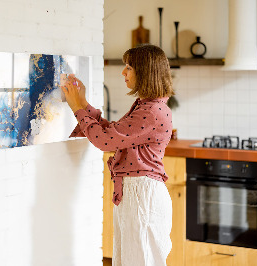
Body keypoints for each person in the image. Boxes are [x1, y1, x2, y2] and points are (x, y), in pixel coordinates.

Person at [61, 44, 174, 266]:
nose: (123, 72)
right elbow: (113, 133)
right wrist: (83, 103)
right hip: (136, 193)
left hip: (142, 195)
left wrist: (77, 108)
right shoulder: (147, 106)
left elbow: (105, 141)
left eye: (129, 67)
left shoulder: (151, 111)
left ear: (145, 71)